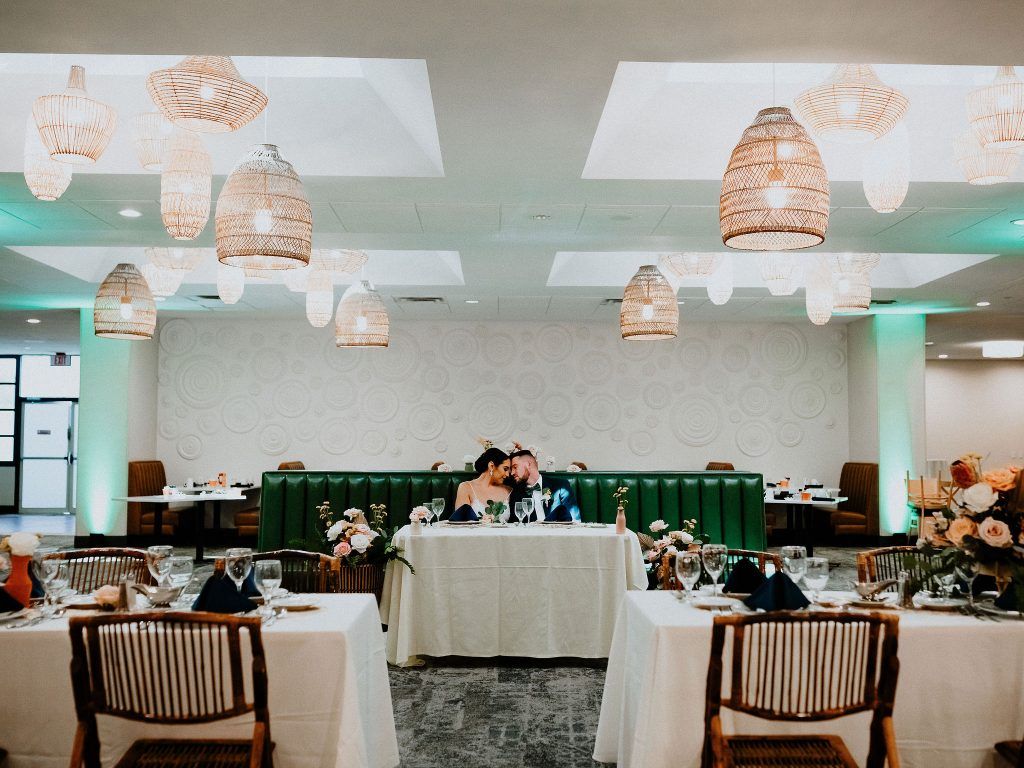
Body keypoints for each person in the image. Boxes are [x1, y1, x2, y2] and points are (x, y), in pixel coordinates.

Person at [508, 449, 579, 522]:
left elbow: (574, 519)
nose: (512, 473)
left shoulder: (560, 486)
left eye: (515, 467)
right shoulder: (515, 492)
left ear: (528, 464)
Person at [450, 447, 512, 521]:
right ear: (491, 466)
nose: (508, 474)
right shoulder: (466, 487)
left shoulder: (508, 490)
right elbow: (461, 522)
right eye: (505, 469)